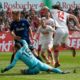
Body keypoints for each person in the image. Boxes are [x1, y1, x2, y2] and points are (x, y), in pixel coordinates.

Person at [1, 40, 69, 74]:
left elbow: (12, 65)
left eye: (14, 48)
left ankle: (32, 71)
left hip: (34, 68)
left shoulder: (17, 54)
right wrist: (20, 40)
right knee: (51, 69)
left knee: (23, 71)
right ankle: (62, 72)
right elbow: (24, 41)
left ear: (16, 48)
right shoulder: (25, 46)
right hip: (39, 63)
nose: (13, 50)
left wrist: (5, 70)